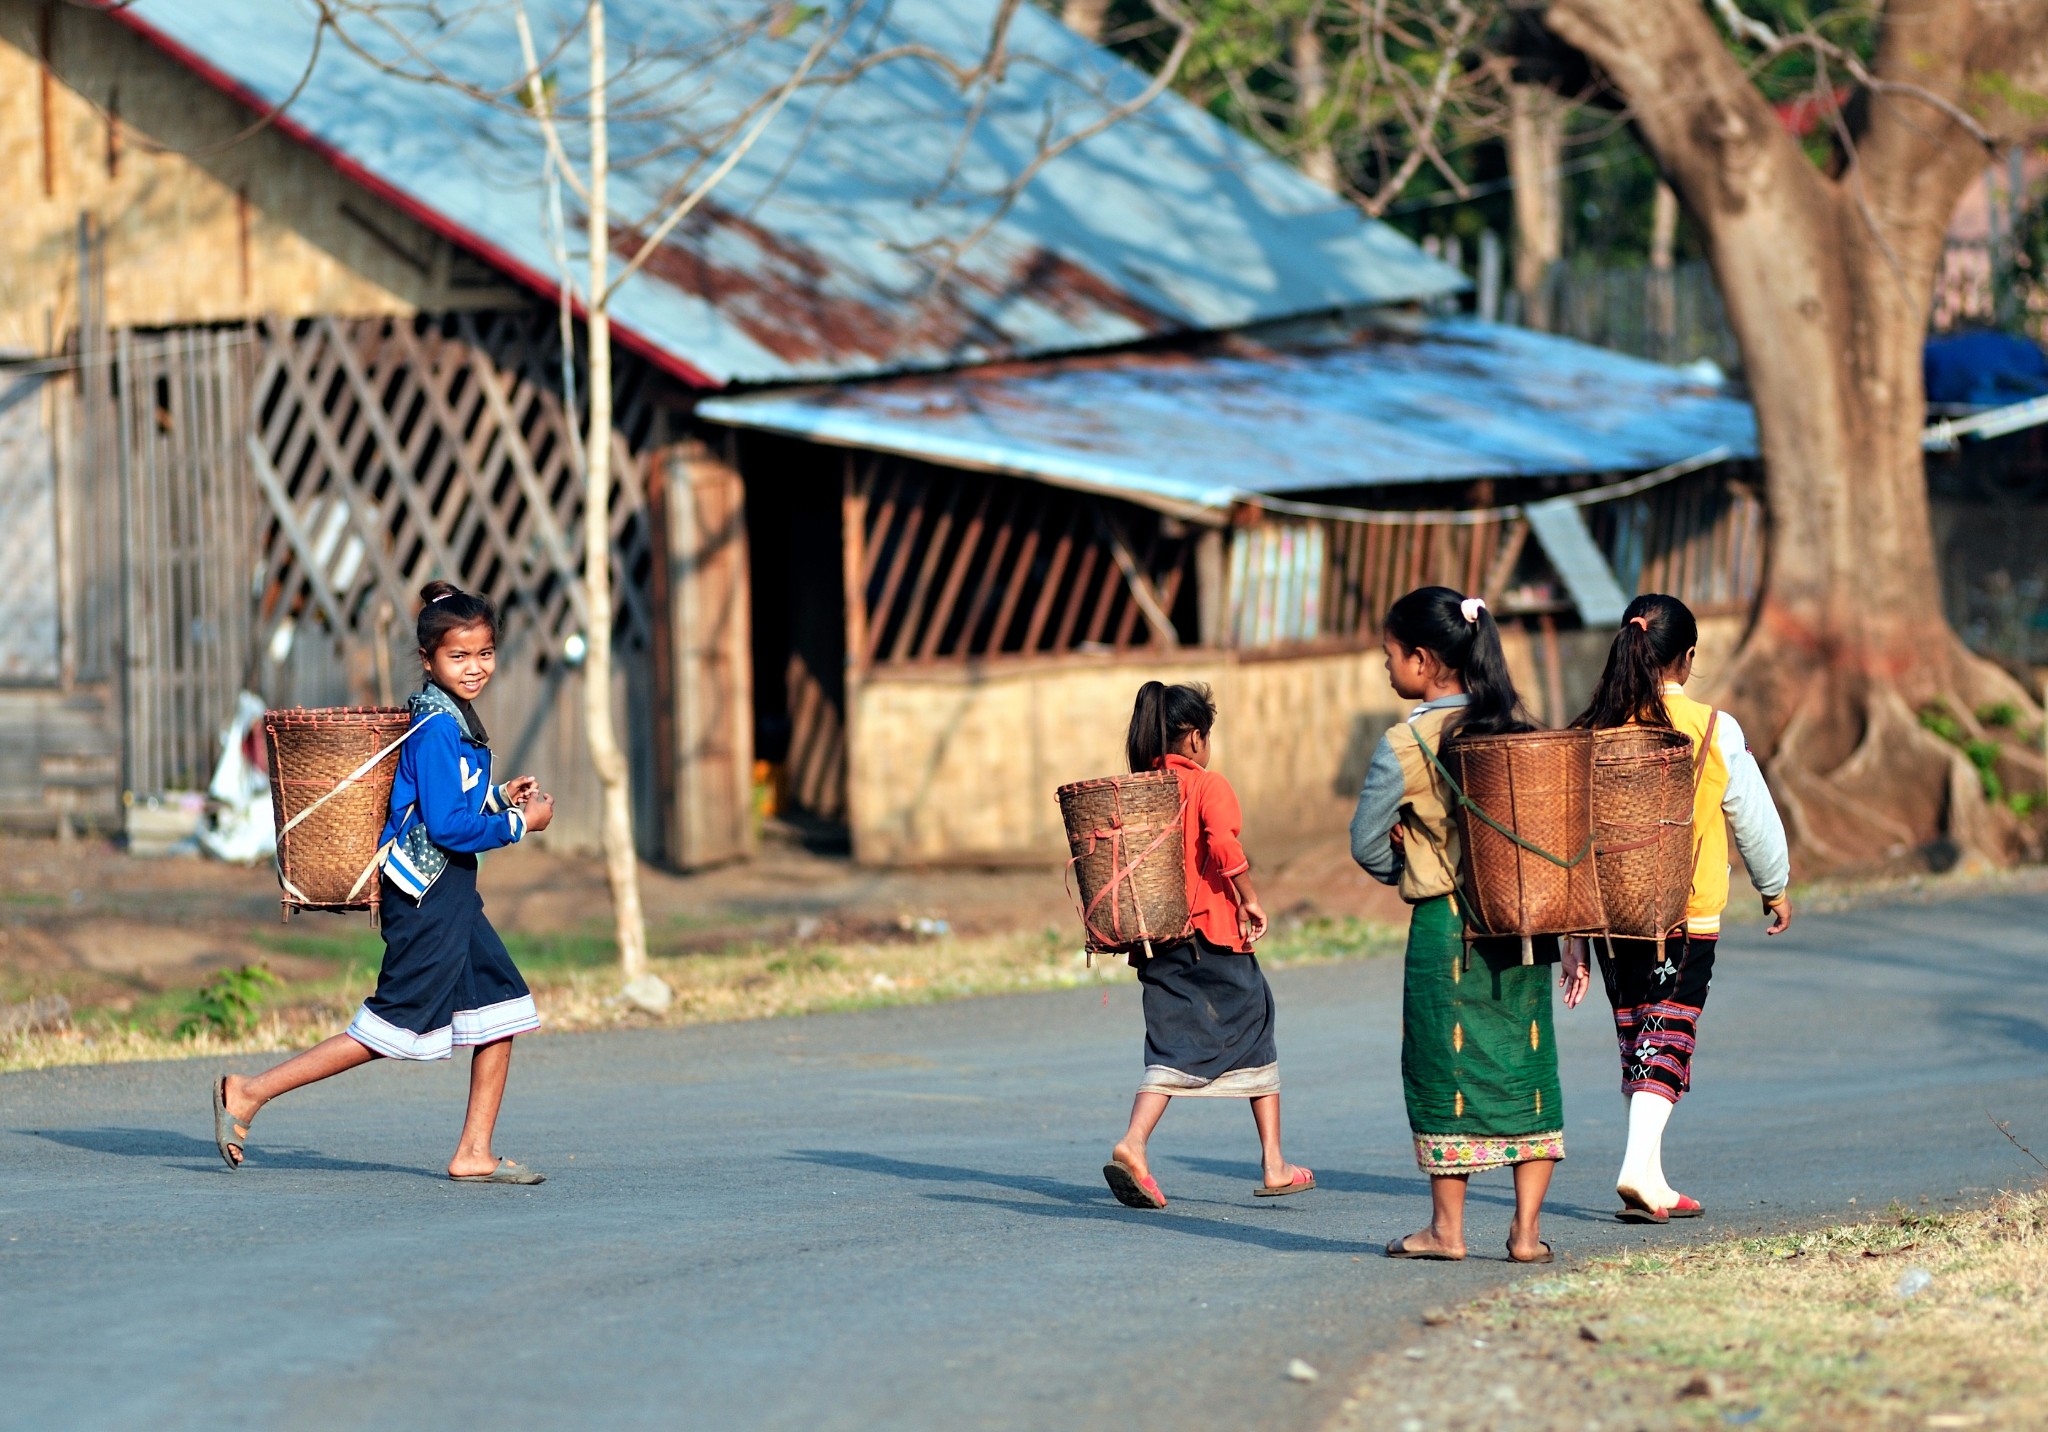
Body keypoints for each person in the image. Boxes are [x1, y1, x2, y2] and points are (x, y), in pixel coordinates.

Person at [212, 580, 556, 1183]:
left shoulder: (451, 718)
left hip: (451, 900)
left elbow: (443, 805)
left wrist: (500, 797)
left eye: (484, 654)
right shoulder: (436, 728)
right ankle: (248, 1091)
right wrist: (520, 823)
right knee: (388, 1030)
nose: (475, 668)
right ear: (429, 660)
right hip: (425, 902)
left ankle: (474, 1152)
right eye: (459, 656)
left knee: (504, 1010)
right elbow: (448, 828)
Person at [1350, 587, 1589, 1264]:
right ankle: (1525, 1233)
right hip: (1524, 925)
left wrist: (1408, 861)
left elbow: (1366, 844)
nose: (1387, 668)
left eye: (1390, 656)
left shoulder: (1404, 743)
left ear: (1424, 662)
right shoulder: (1521, 732)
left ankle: (1447, 1232)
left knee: (1440, 1064)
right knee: (1527, 1065)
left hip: (1445, 925)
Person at [1570, 593, 1791, 1222]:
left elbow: (1572, 838)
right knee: (1668, 1035)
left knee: (1637, 1036)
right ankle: (1638, 1167)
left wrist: (1573, 936)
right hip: (1686, 916)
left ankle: (1654, 1178)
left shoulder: (1592, 732)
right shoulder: (1714, 728)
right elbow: (1754, 819)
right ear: (1686, 659)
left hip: (1612, 919)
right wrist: (1773, 887)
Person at [1103, 681, 1314, 1209]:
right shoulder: (1206, 785)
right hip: (1213, 936)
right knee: (1257, 1022)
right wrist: (1250, 898)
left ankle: (1134, 1142)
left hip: (1158, 941)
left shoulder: (1139, 791)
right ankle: (1274, 1162)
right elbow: (1222, 843)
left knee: (1171, 1044)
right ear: (1195, 737)